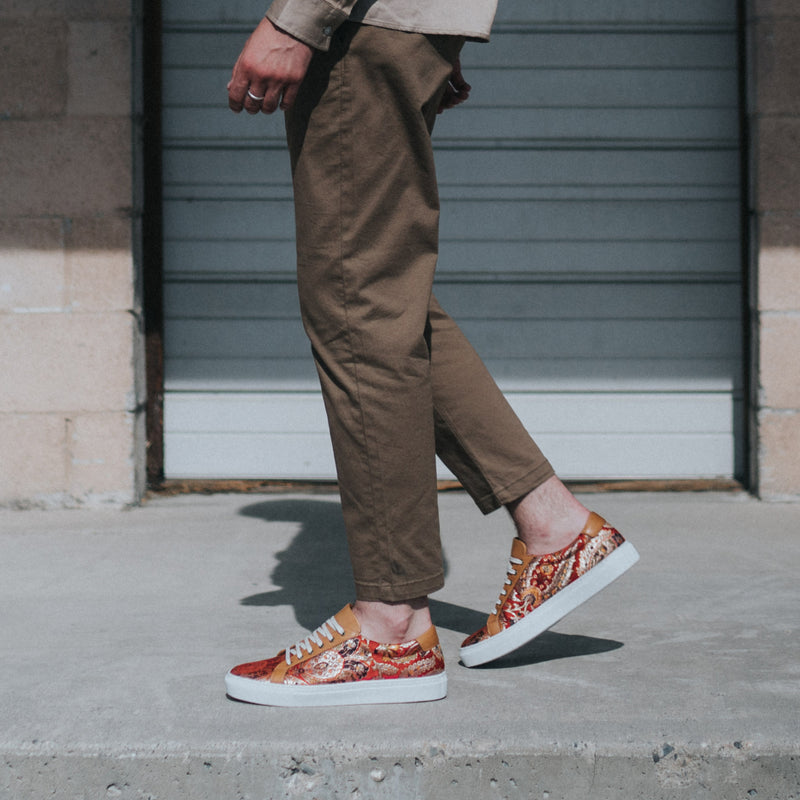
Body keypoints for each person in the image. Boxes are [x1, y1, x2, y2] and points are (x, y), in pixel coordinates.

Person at [223, 0, 639, 707]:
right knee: (382, 293)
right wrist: (443, 30)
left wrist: (300, 16)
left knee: (358, 295)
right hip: (398, 25)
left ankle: (391, 628)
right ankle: (555, 527)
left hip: (363, 28)